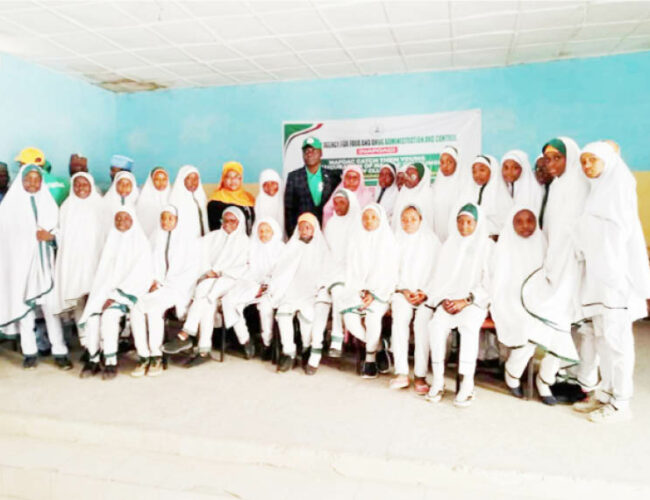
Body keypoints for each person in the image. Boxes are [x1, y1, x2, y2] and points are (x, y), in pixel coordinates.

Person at [572, 141, 650, 422]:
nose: (587, 166)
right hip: (599, 281)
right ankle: (605, 393)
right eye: (583, 161)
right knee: (604, 339)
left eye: (592, 160)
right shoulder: (597, 193)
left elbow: (614, 240)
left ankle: (621, 403)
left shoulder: (618, 191)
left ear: (608, 162)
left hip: (616, 282)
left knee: (617, 343)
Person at [521, 137, 588, 404]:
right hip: (554, 265)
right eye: (547, 159)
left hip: (574, 265)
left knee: (568, 322)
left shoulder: (580, 185)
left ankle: (554, 377)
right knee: (556, 320)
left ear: (569, 157)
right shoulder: (557, 186)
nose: (550, 164)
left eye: (556, 158)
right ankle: (549, 378)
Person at [0, 165, 71, 369]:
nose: (32, 183)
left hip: (45, 266)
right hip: (20, 268)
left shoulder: (49, 204)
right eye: (28, 179)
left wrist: (50, 237)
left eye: (36, 179)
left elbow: (61, 232)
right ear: (20, 182)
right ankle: (29, 352)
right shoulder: (8, 208)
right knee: (26, 312)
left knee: (51, 310)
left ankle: (60, 351)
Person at [162, 207, 250, 366]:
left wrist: (222, 272)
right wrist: (207, 270)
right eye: (225, 220)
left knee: (204, 293)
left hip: (232, 281)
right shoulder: (213, 237)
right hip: (211, 278)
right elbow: (198, 254)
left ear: (240, 222)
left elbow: (244, 267)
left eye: (232, 221)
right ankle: (204, 350)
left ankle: (185, 334)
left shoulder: (245, 242)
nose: (228, 224)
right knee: (206, 301)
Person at [426, 203, 493, 407]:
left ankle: (467, 383)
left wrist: (467, 300)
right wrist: (443, 300)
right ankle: (438, 380)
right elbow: (439, 278)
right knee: (436, 325)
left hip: (474, 302)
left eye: (469, 222)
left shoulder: (487, 245)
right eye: (460, 221)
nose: (464, 226)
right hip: (449, 301)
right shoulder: (450, 244)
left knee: (468, 327)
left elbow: (490, 281)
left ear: (477, 223)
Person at [79, 207, 153, 380]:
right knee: (92, 317)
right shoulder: (111, 239)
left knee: (109, 317)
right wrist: (98, 294)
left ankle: (111, 362)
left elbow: (140, 276)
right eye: (118, 219)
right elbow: (102, 273)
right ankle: (93, 359)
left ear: (133, 220)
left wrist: (115, 297)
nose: (121, 222)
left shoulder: (140, 242)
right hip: (105, 293)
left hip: (128, 294)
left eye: (125, 218)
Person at [491, 206, 554, 398]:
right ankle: (513, 372)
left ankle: (545, 379)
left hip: (539, 300)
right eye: (519, 221)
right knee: (529, 329)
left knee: (560, 330)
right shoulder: (504, 246)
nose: (525, 226)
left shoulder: (542, 243)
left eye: (530, 221)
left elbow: (548, 276)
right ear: (511, 224)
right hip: (510, 301)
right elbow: (498, 282)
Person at [130, 205, 200, 377]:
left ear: (177, 220)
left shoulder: (187, 240)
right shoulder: (155, 237)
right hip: (156, 286)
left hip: (177, 289)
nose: (166, 222)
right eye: (163, 218)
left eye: (170, 218)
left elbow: (191, 271)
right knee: (135, 307)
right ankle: (143, 355)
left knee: (154, 310)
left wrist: (168, 284)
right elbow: (146, 263)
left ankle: (156, 356)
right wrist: (152, 281)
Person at [265, 212, 330, 373]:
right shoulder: (291, 246)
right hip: (290, 289)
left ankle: (307, 348)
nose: (304, 230)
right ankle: (289, 352)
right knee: (284, 313)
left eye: (308, 227)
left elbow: (326, 274)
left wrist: (319, 287)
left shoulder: (322, 249)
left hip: (311, 292)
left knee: (307, 315)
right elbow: (280, 270)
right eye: (301, 228)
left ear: (314, 229)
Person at [340, 204, 398, 379]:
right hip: (358, 291)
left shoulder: (389, 241)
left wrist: (373, 294)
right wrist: (359, 291)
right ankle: (380, 346)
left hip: (380, 292)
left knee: (373, 319)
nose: (368, 221)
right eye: (365, 217)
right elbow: (350, 271)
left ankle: (371, 358)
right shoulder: (355, 240)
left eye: (373, 218)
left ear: (380, 220)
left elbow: (390, 273)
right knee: (350, 319)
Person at [53, 173, 107, 352]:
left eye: (85, 184)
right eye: (77, 185)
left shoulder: (100, 206)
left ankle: (100, 342)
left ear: (91, 185)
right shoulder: (67, 207)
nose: (81, 188)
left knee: (95, 299)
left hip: (96, 261)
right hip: (74, 262)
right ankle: (85, 343)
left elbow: (107, 236)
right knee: (77, 300)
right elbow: (62, 236)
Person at [390, 204, 441, 393]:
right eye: (404, 219)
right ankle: (401, 372)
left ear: (421, 220)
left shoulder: (432, 241)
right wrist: (403, 290)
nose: (408, 223)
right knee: (400, 319)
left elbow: (439, 273)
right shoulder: (395, 240)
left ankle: (420, 375)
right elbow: (389, 271)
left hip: (426, 294)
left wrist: (425, 292)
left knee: (422, 323)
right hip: (402, 292)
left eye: (413, 219)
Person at [221, 217, 285, 360]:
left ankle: (266, 343)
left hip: (271, 288)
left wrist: (265, 286)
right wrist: (253, 285)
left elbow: (281, 274)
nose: (263, 234)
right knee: (229, 301)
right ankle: (245, 340)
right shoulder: (252, 245)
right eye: (260, 231)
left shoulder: (281, 248)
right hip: (250, 283)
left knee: (265, 307)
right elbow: (246, 267)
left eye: (267, 231)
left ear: (274, 232)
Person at [311, 188, 360, 367]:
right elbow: (325, 252)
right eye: (336, 202)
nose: (338, 206)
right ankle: (315, 347)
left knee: (339, 292)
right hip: (330, 270)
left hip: (350, 273)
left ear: (350, 204)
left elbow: (356, 256)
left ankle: (337, 338)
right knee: (321, 300)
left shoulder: (357, 223)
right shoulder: (331, 223)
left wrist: (342, 272)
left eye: (342, 202)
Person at [283, 137, 341, 237]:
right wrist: (294, 235)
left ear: (321, 153)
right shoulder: (293, 177)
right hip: (304, 234)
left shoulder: (333, 177)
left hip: (328, 233)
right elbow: (289, 210)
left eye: (313, 150)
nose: (309, 153)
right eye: (306, 151)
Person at [462, 154, 510, 238]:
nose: (477, 175)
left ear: (492, 171)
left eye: (482, 170)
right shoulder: (468, 193)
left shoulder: (501, 196)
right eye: (474, 172)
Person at [207, 161, 255, 234]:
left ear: (240, 179)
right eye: (228, 177)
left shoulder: (248, 198)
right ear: (223, 179)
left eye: (236, 177)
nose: (232, 180)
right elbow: (214, 230)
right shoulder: (215, 201)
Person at [430, 146, 464, 242]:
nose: (445, 166)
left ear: (457, 163)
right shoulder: (436, 185)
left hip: (457, 238)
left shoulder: (463, 185)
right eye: (442, 162)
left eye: (449, 162)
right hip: (438, 238)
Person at [499, 150, 542, 222]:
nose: (509, 172)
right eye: (506, 168)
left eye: (515, 168)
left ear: (523, 169)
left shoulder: (534, 191)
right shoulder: (500, 189)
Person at [169, 165, 209, 239]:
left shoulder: (201, 197)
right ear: (182, 180)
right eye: (189, 178)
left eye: (195, 178)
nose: (193, 182)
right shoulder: (175, 200)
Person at [391, 162, 434, 232]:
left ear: (421, 179)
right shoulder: (403, 193)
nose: (407, 178)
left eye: (412, 176)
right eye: (406, 174)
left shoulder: (427, 195)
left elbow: (428, 223)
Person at [136, 167, 171, 237]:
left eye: (164, 179)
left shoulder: (173, 198)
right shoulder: (142, 201)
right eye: (157, 179)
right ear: (151, 181)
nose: (161, 182)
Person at [254, 169, 284, 236]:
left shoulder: (285, 201)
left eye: (273, 183)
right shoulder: (259, 202)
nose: (270, 187)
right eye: (265, 184)